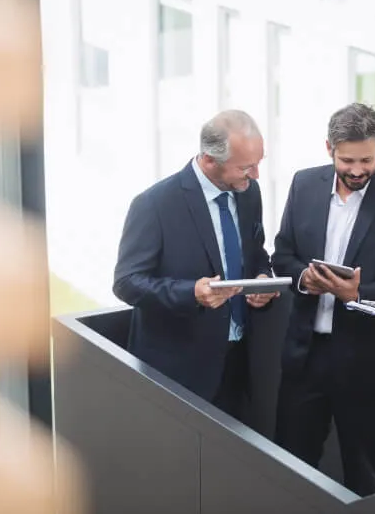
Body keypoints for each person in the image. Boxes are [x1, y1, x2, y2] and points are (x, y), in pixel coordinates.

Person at [271, 103, 375, 496]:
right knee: (289, 467)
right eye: (347, 160)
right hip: (304, 357)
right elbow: (282, 254)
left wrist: (356, 293)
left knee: (362, 473)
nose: (357, 170)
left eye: (367, 159)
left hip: (365, 363)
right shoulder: (303, 185)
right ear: (329, 149)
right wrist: (305, 279)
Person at [112, 110, 278, 422]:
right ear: (210, 160)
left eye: (259, 162)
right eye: (246, 167)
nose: (256, 175)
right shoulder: (154, 205)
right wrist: (192, 293)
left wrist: (262, 278)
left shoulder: (248, 192)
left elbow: (255, 252)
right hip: (179, 370)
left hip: (238, 361)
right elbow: (126, 282)